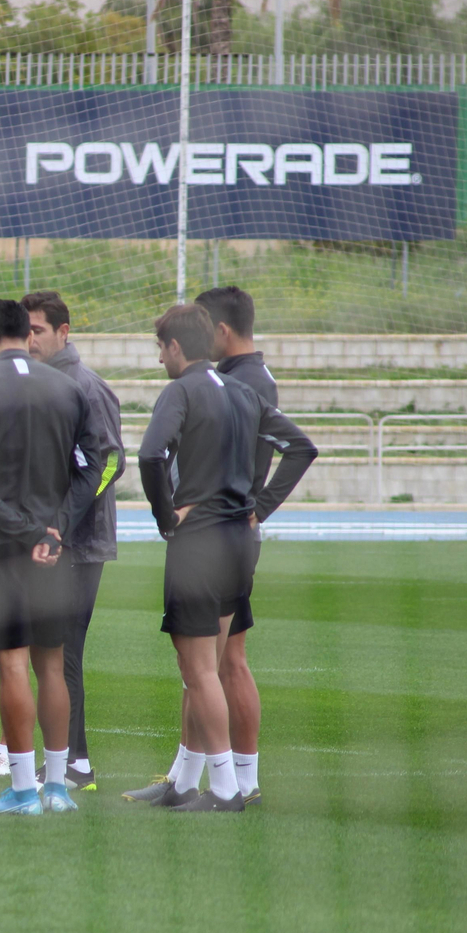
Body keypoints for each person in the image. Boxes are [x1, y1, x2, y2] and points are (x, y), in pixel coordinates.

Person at [129, 304, 316, 811]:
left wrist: (166, 518)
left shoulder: (181, 392)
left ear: (173, 348)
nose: (160, 358)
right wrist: (259, 507)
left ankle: (227, 790)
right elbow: (301, 447)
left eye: (160, 348)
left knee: (199, 671)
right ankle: (189, 784)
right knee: (208, 663)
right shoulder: (242, 392)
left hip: (199, 544)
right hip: (238, 542)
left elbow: (149, 456)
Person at [0, 299, 105, 816]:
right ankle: (57, 789)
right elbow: (94, 466)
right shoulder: (67, 389)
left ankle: (21, 791)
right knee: (52, 666)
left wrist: (22, 530)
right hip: (54, 552)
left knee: (12, 667)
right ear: (27, 336)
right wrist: (54, 528)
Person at [22, 291, 124, 792]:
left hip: (80, 545)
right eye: (25, 330)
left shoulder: (86, 385)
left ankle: (75, 762)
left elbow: (108, 463)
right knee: (54, 651)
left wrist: (63, 520)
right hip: (55, 541)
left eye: (38, 329)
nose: (30, 338)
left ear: (65, 332)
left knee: (62, 651)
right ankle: (70, 759)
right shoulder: (41, 383)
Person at [203, 285, 274, 804]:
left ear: (222, 331)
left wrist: (257, 507)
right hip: (234, 531)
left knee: (215, 662)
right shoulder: (248, 377)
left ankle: (235, 780)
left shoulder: (242, 383)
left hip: (223, 532)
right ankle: (227, 776)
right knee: (223, 660)